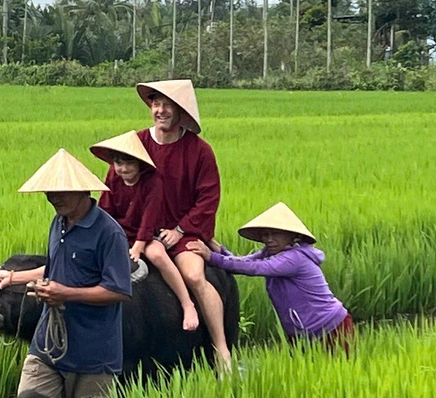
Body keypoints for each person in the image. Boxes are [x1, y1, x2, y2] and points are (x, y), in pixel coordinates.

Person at [0, 148, 132, 398]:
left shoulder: (109, 233)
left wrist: (65, 294)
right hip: (50, 341)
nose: (54, 198)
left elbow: (118, 290)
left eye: (61, 191)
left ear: (83, 190)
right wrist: (12, 278)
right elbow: (53, 268)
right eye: (49, 191)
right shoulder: (59, 223)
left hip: (94, 348)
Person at [134, 79, 231, 371]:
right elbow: (117, 186)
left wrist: (179, 230)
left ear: (180, 111)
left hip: (184, 232)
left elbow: (208, 197)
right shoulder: (136, 143)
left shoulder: (199, 151)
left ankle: (221, 347)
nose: (160, 110)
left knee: (194, 276)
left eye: (167, 105)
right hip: (140, 231)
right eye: (155, 104)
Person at [186, 202, 353, 349]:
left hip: (330, 328)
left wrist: (212, 257)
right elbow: (242, 261)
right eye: (266, 234)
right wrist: (217, 248)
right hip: (301, 333)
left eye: (276, 234)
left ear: (291, 235)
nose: (269, 239)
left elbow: (255, 268)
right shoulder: (270, 253)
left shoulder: (295, 258)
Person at [90, 130, 199, 332]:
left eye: (129, 163)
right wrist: (106, 238)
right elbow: (106, 212)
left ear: (140, 164)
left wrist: (138, 246)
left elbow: (150, 217)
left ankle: (187, 304)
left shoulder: (153, 181)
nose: (123, 169)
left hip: (147, 234)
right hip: (119, 232)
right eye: (118, 163)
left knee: (156, 254)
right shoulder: (113, 177)